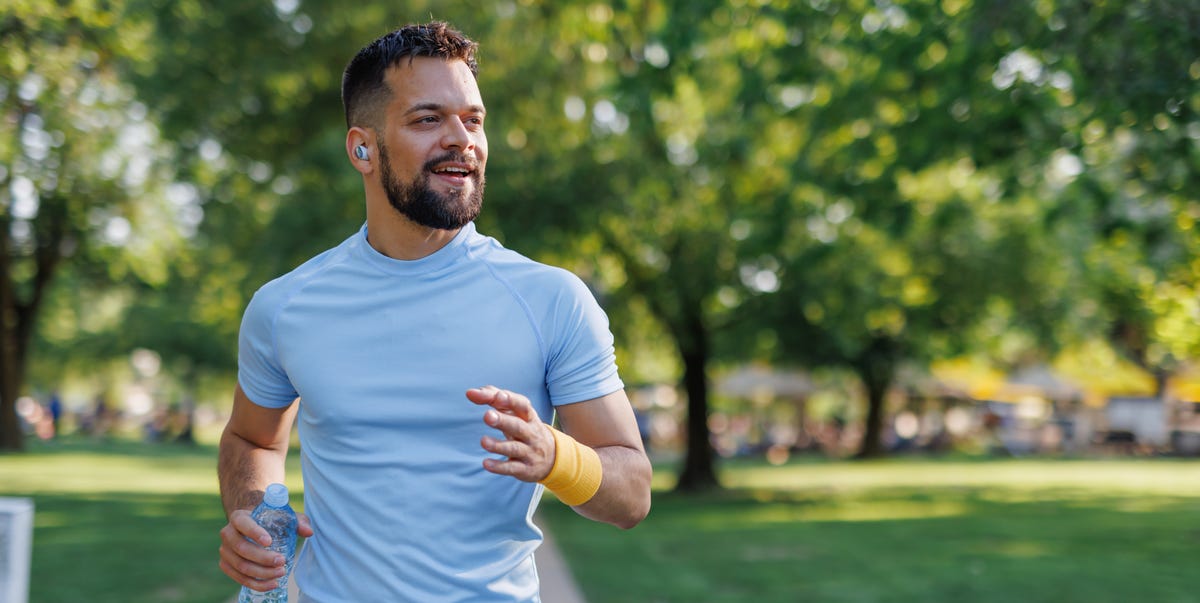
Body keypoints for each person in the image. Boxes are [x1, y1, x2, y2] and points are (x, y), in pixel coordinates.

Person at [217, 21, 652, 602]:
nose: (461, 139)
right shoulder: (285, 306)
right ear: (362, 147)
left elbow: (632, 493)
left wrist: (557, 456)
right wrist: (254, 516)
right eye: (428, 119)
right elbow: (253, 441)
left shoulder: (552, 300)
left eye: (473, 120)